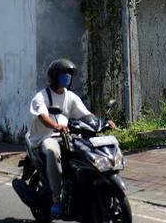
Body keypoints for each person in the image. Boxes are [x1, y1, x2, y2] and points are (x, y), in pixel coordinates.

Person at [28, 59, 115, 219]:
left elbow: (86, 114)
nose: (67, 77)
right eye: (63, 74)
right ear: (54, 76)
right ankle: (57, 200)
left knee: (85, 152)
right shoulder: (41, 97)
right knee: (53, 152)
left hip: (66, 136)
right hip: (45, 137)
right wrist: (56, 125)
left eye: (69, 75)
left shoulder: (71, 97)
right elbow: (42, 116)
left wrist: (102, 123)